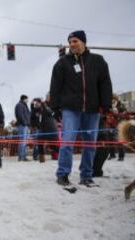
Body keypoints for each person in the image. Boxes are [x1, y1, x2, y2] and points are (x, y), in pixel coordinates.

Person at [50, 30, 113, 187]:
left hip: (92, 109)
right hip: (70, 109)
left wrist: (106, 105)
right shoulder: (63, 62)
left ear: (84, 42)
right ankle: (63, 174)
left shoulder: (98, 61)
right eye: (70, 42)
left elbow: (105, 84)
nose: (72, 44)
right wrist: (55, 107)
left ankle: (86, 176)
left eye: (75, 41)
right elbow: (55, 86)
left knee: (90, 144)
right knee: (67, 142)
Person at [31, 98, 59, 163]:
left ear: (41, 104)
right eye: (36, 104)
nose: (37, 104)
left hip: (51, 130)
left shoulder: (47, 109)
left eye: (38, 103)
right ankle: (42, 159)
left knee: (53, 147)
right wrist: (32, 103)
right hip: (43, 130)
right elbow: (33, 111)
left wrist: (42, 103)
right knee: (39, 142)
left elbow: (47, 110)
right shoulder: (38, 110)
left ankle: (63, 155)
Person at [15, 95, 31, 161]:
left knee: (25, 141)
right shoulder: (19, 105)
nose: (28, 100)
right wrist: (25, 123)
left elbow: (28, 115)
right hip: (22, 125)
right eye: (27, 99)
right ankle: (21, 157)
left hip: (25, 125)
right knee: (22, 141)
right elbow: (20, 115)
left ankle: (24, 156)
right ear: (24, 99)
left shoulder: (24, 105)